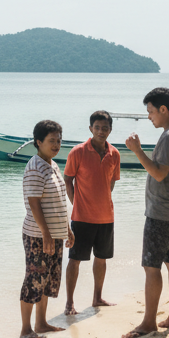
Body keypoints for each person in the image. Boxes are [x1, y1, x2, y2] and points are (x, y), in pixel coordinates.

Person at [122, 87, 169, 338]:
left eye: (151, 111)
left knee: (151, 267)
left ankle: (149, 322)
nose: (149, 116)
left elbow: (160, 173)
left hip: (162, 211)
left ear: (164, 110)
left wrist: (137, 151)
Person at [19, 120, 74, 338]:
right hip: (38, 235)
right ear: (38, 142)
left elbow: (60, 201)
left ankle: (41, 324)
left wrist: (67, 229)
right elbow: (34, 203)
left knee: (48, 279)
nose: (56, 144)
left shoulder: (52, 164)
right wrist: (46, 233)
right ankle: (25, 330)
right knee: (34, 279)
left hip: (54, 234)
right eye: (51, 140)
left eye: (59, 140)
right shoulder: (35, 167)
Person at [63, 111, 121, 315]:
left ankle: (97, 298)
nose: (101, 131)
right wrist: (75, 202)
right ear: (90, 129)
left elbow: (112, 181)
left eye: (105, 128)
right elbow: (67, 179)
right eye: (97, 127)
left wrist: (103, 198)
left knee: (102, 258)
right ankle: (69, 303)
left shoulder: (115, 154)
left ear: (110, 130)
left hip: (106, 217)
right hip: (81, 217)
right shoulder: (77, 152)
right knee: (75, 259)